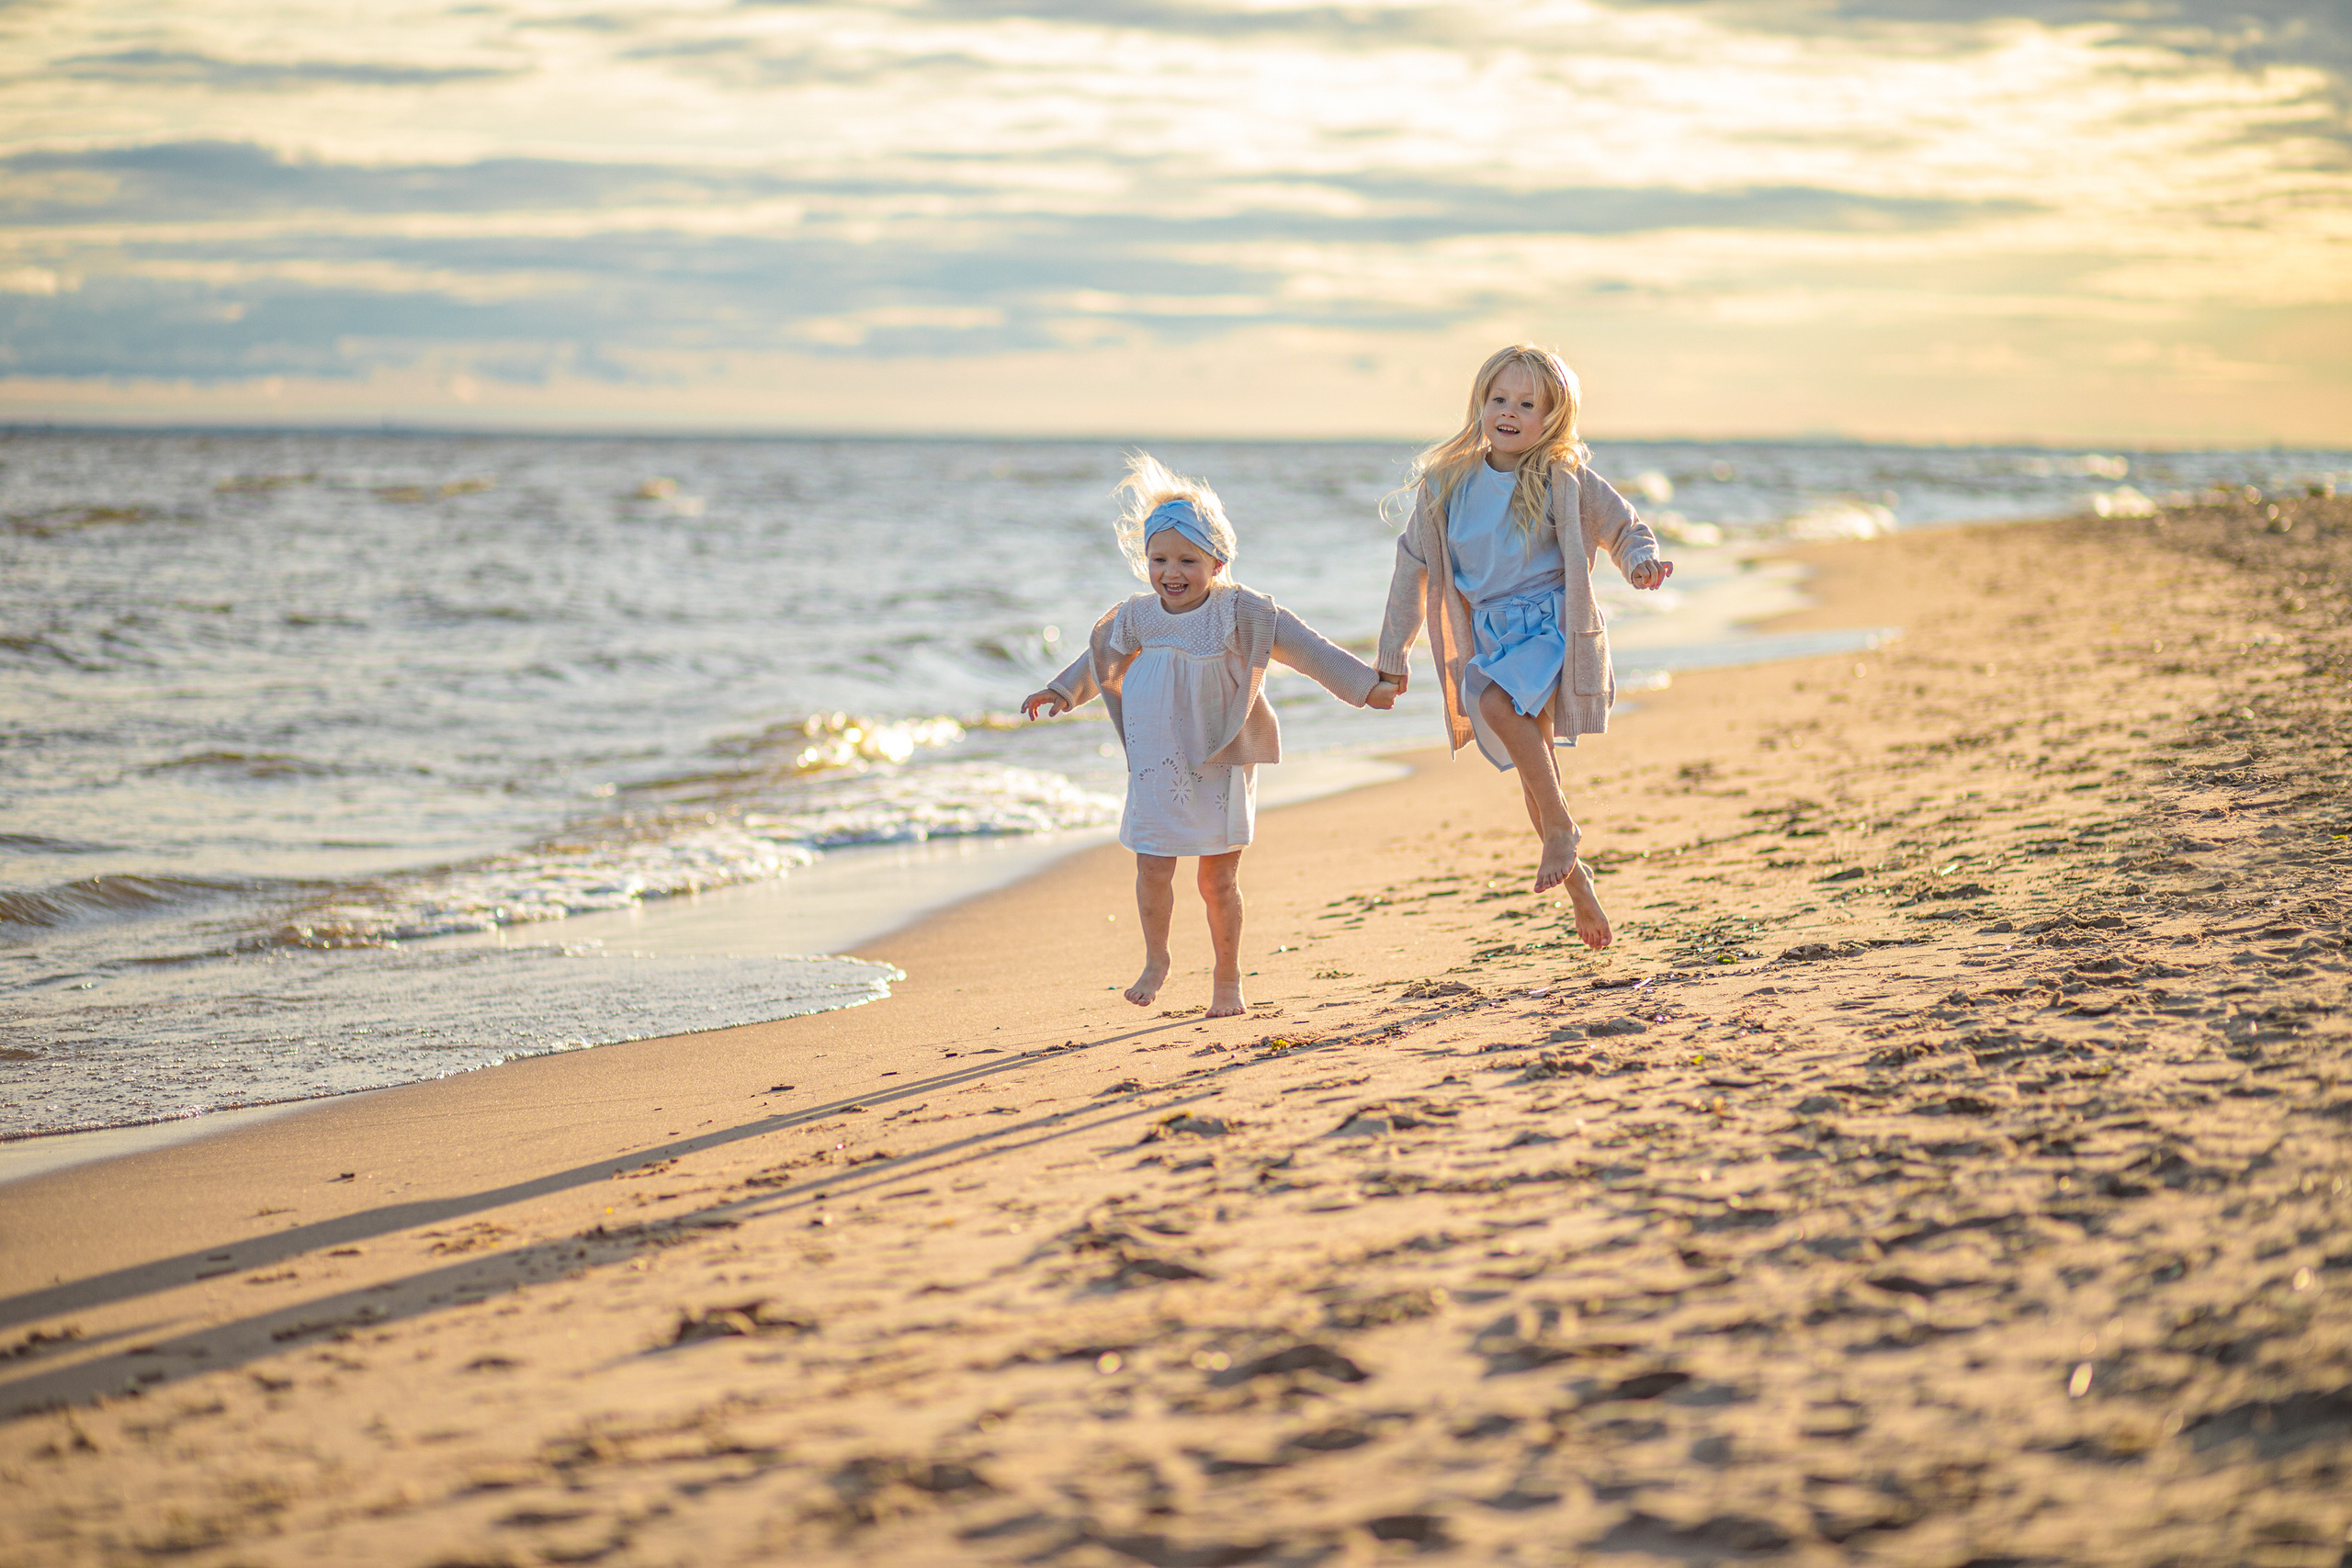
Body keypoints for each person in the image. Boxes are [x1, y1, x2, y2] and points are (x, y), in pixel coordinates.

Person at [1024, 453, 1396, 1017]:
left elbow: (1308, 650)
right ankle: (1157, 959)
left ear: (1217, 560)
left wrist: (1365, 687)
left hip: (1219, 760)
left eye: (1187, 560)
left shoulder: (1243, 611)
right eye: (1158, 559)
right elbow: (1097, 660)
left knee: (1217, 879)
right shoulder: (1138, 616)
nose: (1171, 572)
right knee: (1152, 865)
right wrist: (1061, 691)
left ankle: (1228, 978)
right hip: (1156, 761)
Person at [1374, 344, 1673, 950]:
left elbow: (1622, 526)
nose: (1509, 412)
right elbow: (1412, 570)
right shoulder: (1446, 484)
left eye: (1526, 403)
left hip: (1548, 630)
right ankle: (1577, 879)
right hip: (1491, 637)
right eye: (1498, 398)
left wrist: (1640, 563)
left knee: (1494, 706)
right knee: (1537, 777)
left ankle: (1562, 829)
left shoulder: (1562, 478)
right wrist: (1392, 654)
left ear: (1552, 418)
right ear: (1480, 404)